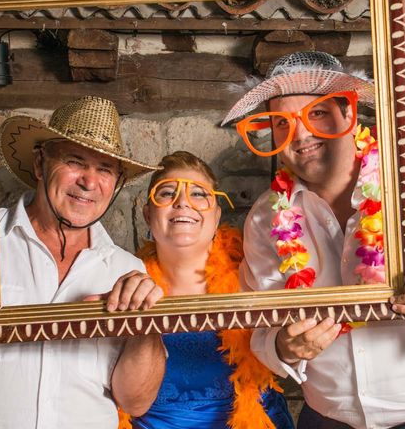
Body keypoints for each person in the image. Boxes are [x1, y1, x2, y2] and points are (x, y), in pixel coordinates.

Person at [223, 51, 405, 429]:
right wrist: (282, 348)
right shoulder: (265, 217)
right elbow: (259, 327)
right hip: (325, 420)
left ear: (350, 114)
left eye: (318, 113)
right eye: (281, 123)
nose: (302, 135)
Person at [0, 96, 166, 428]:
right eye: (75, 161)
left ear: (116, 184)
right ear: (40, 165)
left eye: (105, 169)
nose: (89, 183)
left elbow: (135, 402)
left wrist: (144, 331)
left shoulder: (128, 271)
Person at [120, 151, 294, 429]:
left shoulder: (254, 275)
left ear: (216, 216)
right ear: (148, 214)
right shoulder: (124, 284)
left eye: (199, 194)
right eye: (166, 193)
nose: (182, 203)